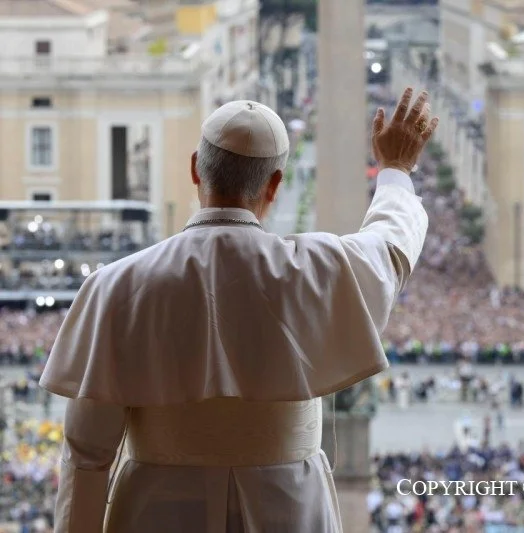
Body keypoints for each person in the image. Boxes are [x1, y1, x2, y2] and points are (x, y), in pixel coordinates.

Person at [38, 87, 437, 533]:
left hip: (158, 512)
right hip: (289, 510)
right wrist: (396, 171)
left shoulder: (115, 286)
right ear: (274, 185)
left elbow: (87, 456)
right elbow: (392, 247)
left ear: (195, 169)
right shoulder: (316, 271)